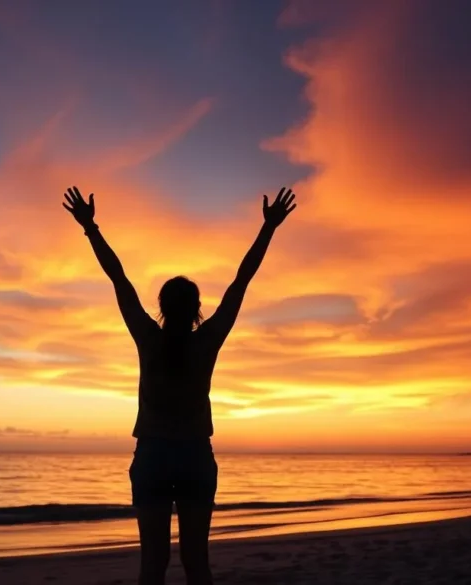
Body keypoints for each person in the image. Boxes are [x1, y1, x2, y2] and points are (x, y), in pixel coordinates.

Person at [62, 186, 297, 585]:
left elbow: (118, 279)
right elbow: (242, 281)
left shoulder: (148, 338)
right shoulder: (206, 341)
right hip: (193, 457)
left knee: (152, 566)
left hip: (153, 455)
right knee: (196, 563)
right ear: (197, 309)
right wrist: (268, 228)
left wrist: (90, 227)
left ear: (162, 306)